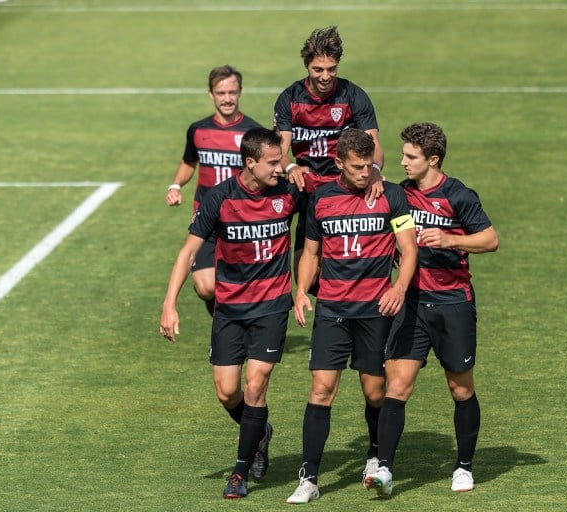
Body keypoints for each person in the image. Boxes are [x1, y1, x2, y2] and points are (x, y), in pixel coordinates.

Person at [160, 128, 302, 500]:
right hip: (230, 309)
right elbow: (188, 252)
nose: (279, 167)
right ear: (250, 163)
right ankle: (261, 432)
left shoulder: (289, 190)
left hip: (271, 306)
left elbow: (337, 196)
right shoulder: (220, 198)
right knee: (227, 393)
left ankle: (239, 472)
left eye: (281, 160)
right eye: (273, 162)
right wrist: (169, 304)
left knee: (256, 385)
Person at [363, 123, 499, 498]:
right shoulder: (400, 195)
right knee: (398, 384)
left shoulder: (458, 195)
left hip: (453, 303)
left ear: (433, 160)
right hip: (411, 304)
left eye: (411, 157)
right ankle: (385, 468)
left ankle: (464, 467)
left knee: (459, 388)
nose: (403, 162)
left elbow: (490, 239)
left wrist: (452, 239)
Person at [285, 128, 418, 504]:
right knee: (321, 389)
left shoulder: (391, 194)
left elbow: (408, 250)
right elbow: (311, 252)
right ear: (339, 163)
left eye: (370, 165)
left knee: (375, 392)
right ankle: (309, 478)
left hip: (375, 310)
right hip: (332, 309)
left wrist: (399, 289)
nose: (366, 171)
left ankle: (375, 456)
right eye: (358, 166)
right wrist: (300, 291)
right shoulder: (321, 199)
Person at [273, 26, 385, 280]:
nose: (325, 76)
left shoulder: (353, 95)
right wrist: (290, 167)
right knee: (307, 277)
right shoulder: (289, 98)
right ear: (307, 66)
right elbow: (279, 150)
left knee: (349, 268)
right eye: (318, 69)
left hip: (344, 185)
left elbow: (374, 145)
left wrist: (375, 171)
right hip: (307, 188)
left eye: (331, 69)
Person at [165, 64, 262, 316]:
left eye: (232, 92)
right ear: (211, 94)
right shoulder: (198, 130)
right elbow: (189, 162)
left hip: (241, 220)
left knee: (243, 286)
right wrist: (176, 186)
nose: (227, 99)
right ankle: (223, 319)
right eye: (221, 93)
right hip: (206, 219)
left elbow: (269, 166)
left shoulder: (253, 133)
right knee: (207, 287)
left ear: (240, 92)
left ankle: (235, 330)